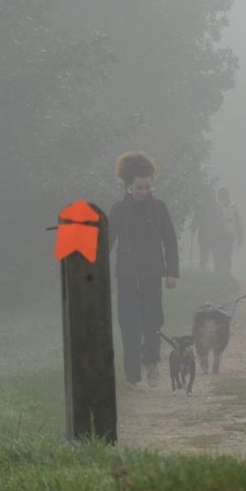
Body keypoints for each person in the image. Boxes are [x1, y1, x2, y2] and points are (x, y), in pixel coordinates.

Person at [109, 151, 179, 390]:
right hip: (127, 277)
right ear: (129, 185)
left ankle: (151, 362)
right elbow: (105, 243)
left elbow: (170, 240)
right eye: (139, 188)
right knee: (129, 328)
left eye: (147, 187)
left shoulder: (159, 208)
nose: (143, 192)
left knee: (152, 325)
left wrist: (172, 272)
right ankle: (132, 376)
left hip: (152, 277)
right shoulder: (118, 210)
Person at [212, 186, 244, 276]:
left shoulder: (216, 206)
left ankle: (222, 274)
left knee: (221, 256)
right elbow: (238, 222)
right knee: (225, 256)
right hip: (229, 236)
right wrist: (240, 237)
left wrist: (240, 237)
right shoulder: (233, 206)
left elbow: (237, 222)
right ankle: (224, 274)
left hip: (222, 236)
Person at [189, 193, 219, 271]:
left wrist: (193, 227)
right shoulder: (216, 207)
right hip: (213, 236)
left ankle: (204, 271)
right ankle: (216, 272)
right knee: (214, 256)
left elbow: (196, 219)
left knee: (204, 256)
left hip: (205, 236)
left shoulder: (203, 207)